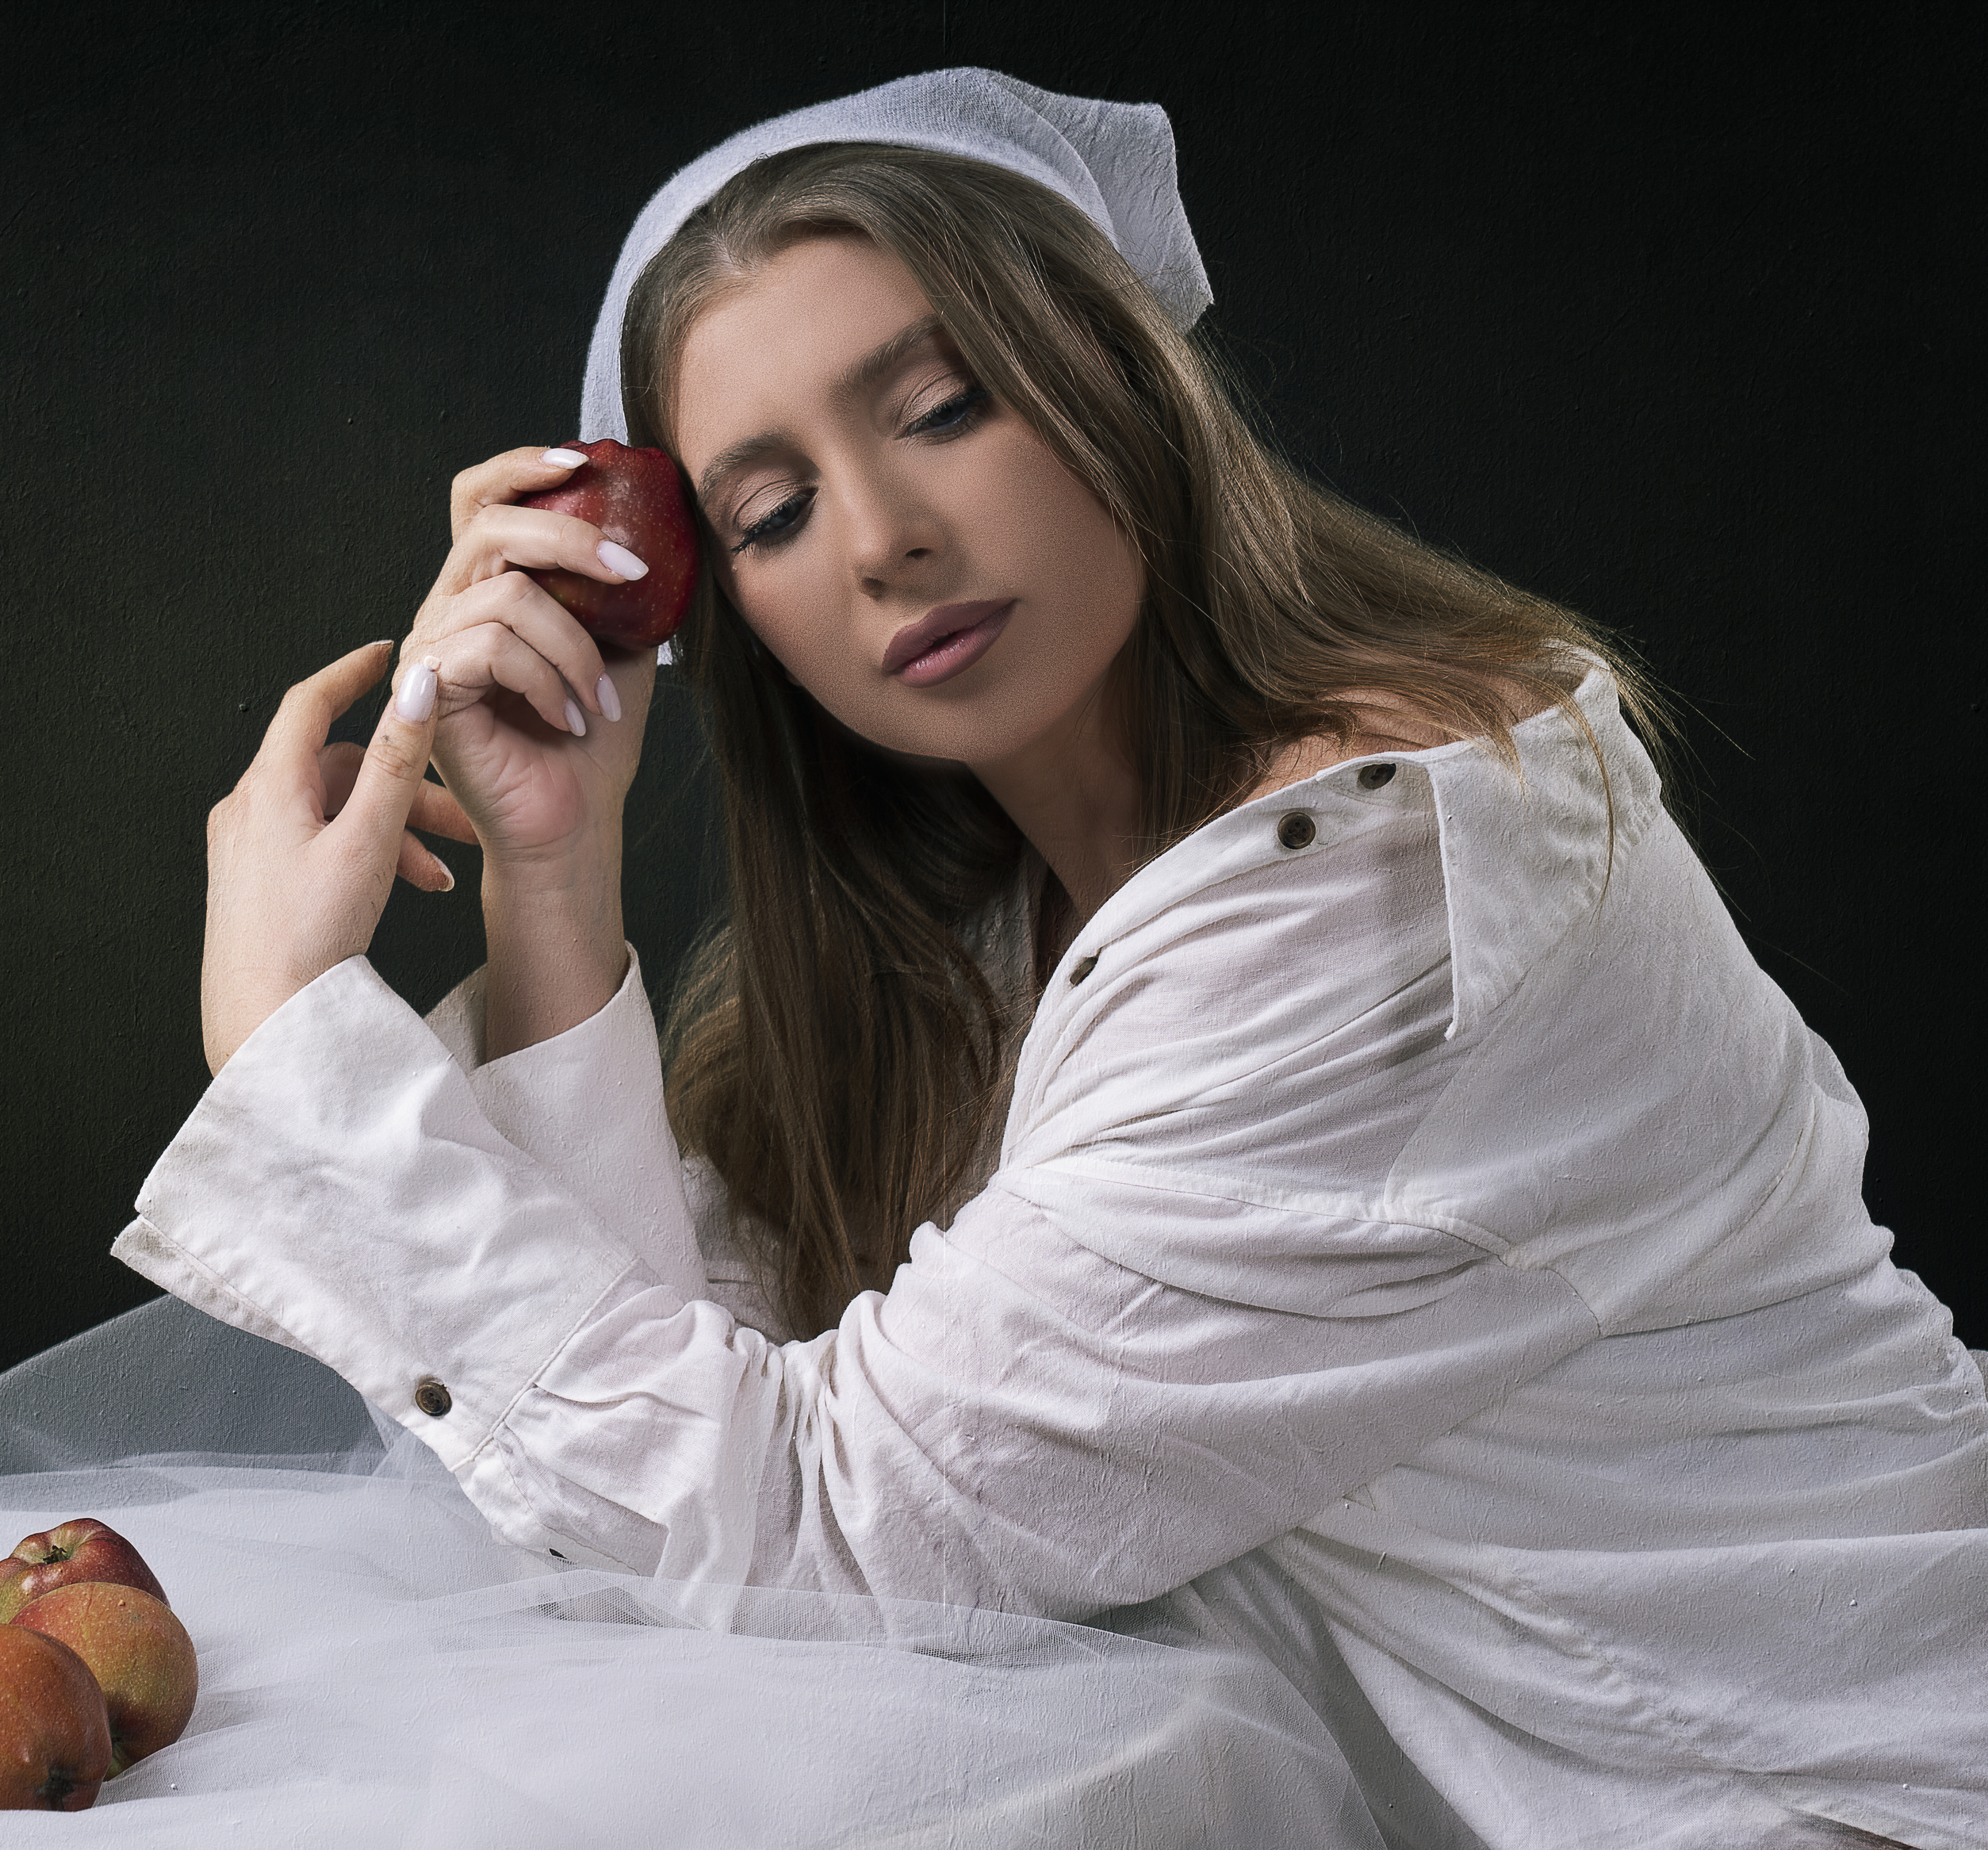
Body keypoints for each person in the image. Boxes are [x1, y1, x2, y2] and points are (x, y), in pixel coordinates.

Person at [120, 69, 1986, 1850]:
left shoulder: (1380, 887)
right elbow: (688, 1416)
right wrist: (554, 868)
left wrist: (298, 1047)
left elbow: (816, 1533)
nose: (883, 540)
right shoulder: (1004, 920)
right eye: (767, 514)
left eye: (942, 409)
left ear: (1118, 384)